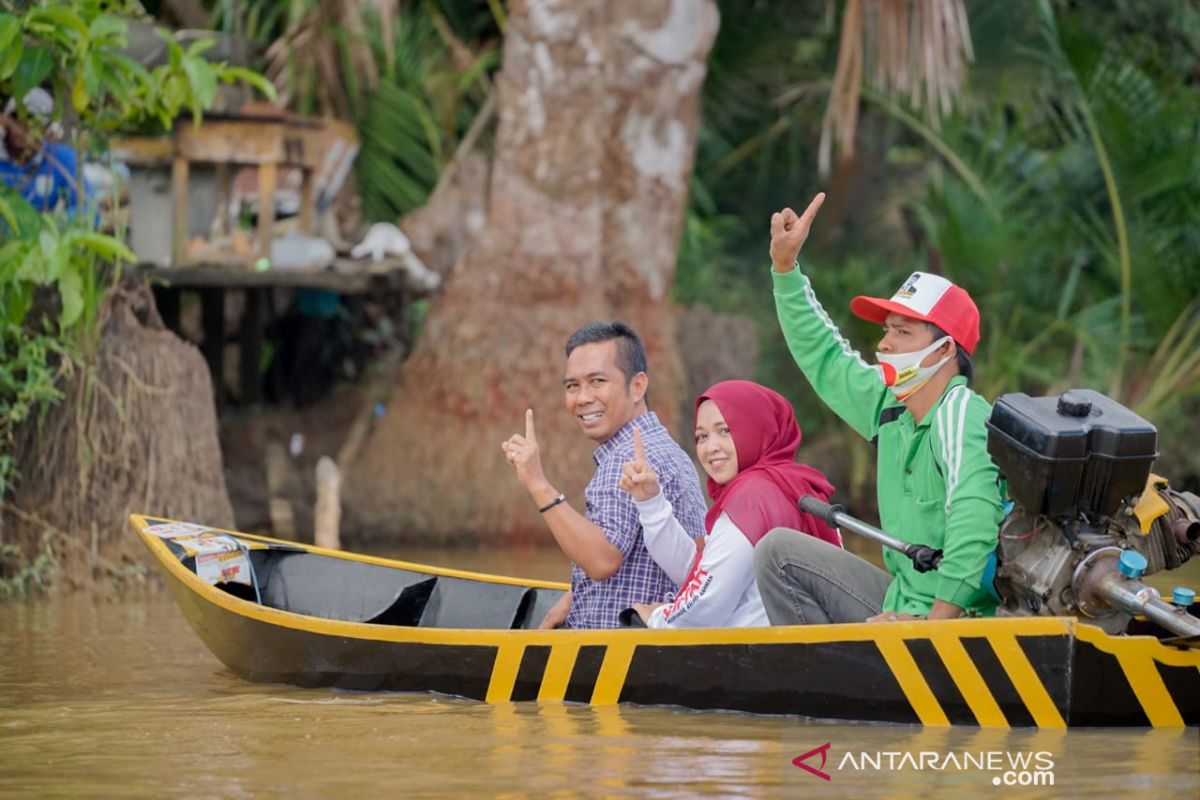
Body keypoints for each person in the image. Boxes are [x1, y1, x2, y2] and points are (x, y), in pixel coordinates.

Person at [754, 193, 1004, 624]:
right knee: (778, 552)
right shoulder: (890, 406)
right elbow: (826, 357)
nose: (884, 344)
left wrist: (931, 629)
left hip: (958, 621)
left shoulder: (962, 413)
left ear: (945, 350)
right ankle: (830, 683)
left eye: (902, 333)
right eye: (887, 331)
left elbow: (974, 520)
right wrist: (784, 269)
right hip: (898, 604)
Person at [502, 321, 707, 629]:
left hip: (622, 652)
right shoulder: (670, 450)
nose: (583, 398)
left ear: (637, 386)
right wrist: (574, 598)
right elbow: (633, 552)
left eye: (597, 381)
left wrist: (537, 483)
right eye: (572, 386)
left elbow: (603, 561)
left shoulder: (627, 458)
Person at [619, 380, 841, 628]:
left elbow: (707, 604)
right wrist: (650, 503)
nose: (710, 447)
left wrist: (658, 617)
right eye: (702, 436)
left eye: (725, 430)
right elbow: (703, 572)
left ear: (758, 428)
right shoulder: (798, 486)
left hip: (761, 657)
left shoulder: (753, 495)